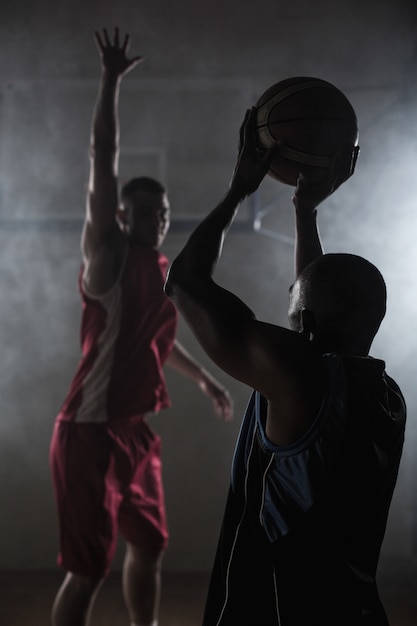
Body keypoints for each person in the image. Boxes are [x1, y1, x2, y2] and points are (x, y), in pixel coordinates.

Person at [164, 108, 406, 625]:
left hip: (280, 610)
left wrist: (239, 189)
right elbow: (315, 324)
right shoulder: (386, 394)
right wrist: (305, 212)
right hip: (355, 609)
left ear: (308, 324)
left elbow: (184, 281)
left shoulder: (303, 378)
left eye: (293, 305)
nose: (288, 312)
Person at [49, 27, 233, 626]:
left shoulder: (160, 270)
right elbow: (103, 157)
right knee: (87, 571)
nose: (157, 221)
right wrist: (110, 81)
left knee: (150, 545)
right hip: (89, 431)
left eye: (164, 213)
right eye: (146, 213)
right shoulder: (107, 254)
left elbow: (159, 341)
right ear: (124, 215)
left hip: (133, 432)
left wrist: (203, 380)